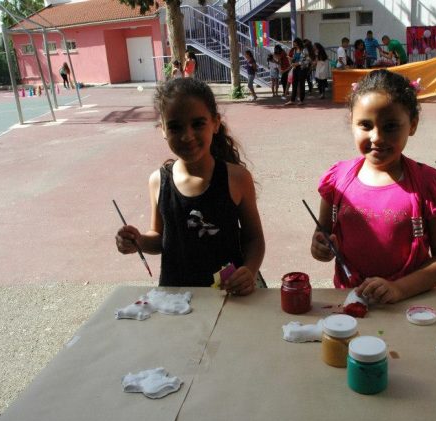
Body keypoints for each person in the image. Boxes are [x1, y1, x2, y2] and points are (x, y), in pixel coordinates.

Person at [310, 70, 436, 304]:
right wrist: (321, 247)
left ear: (412, 125)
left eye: (390, 126)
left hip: (411, 304)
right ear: (352, 122)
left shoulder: (429, 184)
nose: (377, 137)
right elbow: (324, 233)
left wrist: (398, 289)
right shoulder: (336, 180)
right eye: (365, 125)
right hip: (351, 303)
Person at [115, 78, 265, 295]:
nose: (187, 136)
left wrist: (249, 270)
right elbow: (160, 238)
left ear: (215, 123)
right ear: (163, 129)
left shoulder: (237, 178)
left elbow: (254, 238)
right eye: (175, 127)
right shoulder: (158, 181)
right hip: (175, 300)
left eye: (198, 124)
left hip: (229, 298)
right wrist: (138, 241)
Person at [285, 38, 309, 106]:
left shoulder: (304, 50)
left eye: (294, 42)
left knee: (301, 84)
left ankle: (301, 100)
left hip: (302, 69)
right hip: (295, 69)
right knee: (294, 84)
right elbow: (295, 59)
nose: (293, 44)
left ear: (298, 43)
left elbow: (307, 60)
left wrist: (298, 63)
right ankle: (292, 100)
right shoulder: (295, 50)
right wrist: (291, 59)